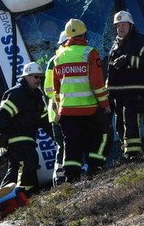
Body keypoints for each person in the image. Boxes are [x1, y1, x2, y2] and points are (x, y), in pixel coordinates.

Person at [48, 19, 111, 182]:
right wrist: (105, 105)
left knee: (71, 144)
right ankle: (94, 169)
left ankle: (71, 177)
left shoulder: (58, 57)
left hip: (67, 112)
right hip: (89, 109)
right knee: (96, 138)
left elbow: (56, 89)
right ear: (84, 34)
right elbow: (97, 84)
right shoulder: (90, 52)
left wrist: (60, 109)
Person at [0, 62, 50, 193]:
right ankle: (23, 194)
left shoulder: (37, 96)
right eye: (35, 77)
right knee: (28, 161)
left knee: (16, 168)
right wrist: (2, 134)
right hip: (14, 138)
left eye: (40, 77)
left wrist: (55, 135)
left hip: (27, 139)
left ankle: (4, 198)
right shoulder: (17, 93)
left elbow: (44, 120)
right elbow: (2, 113)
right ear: (26, 76)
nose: (39, 80)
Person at [105, 11, 144, 161]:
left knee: (130, 118)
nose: (120, 28)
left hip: (134, 89)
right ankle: (126, 152)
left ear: (130, 25)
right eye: (118, 26)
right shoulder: (115, 44)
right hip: (117, 92)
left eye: (123, 25)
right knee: (119, 122)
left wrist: (129, 60)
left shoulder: (140, 41)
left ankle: (134, 153)